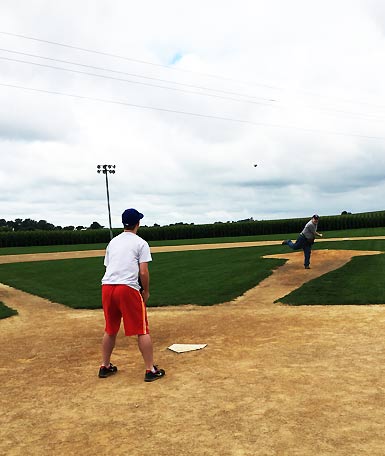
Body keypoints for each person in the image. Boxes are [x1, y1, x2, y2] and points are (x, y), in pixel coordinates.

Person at [98, 208, 165, 382]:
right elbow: (143, 272)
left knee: (110, 329)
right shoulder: (141, 243)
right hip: (127, 288)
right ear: (137, 224)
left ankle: (105, 366)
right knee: (142, 330)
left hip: (107, 287)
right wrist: (146, 290)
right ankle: (150, 370)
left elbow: (109, 266)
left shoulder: (112, 242)